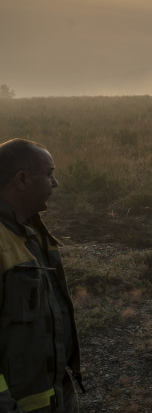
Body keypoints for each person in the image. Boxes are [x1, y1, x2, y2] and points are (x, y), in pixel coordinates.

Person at [0, 139, 82, 412]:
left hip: (54, 397)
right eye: (49, 174)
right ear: (22, 180)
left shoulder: (31, 232)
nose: (55, 183)